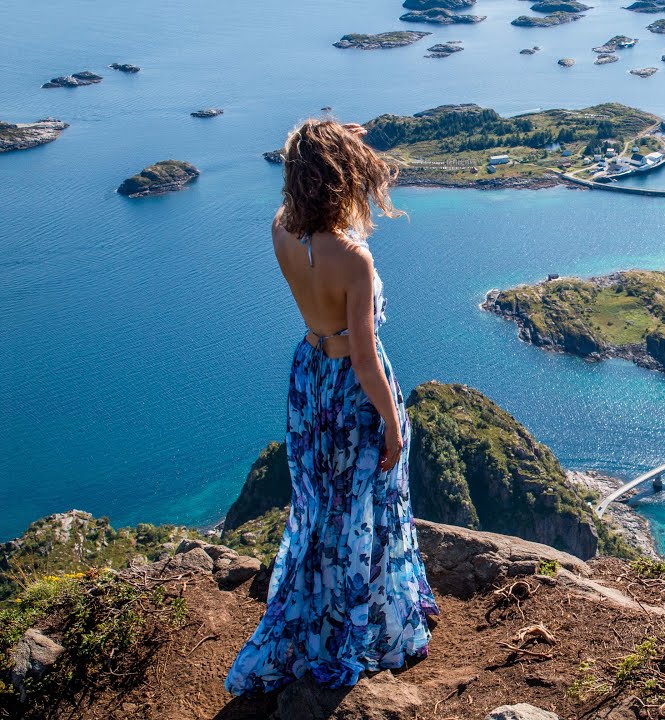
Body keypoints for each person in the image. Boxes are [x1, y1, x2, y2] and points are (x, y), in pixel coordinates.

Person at [225, 119, 439, 695]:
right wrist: (395, 425)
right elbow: (367, 361)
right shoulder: (353, 260)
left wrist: (310, 141)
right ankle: (366, 626)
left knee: (319, 502)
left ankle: (310, 613)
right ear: (345, 178)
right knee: (363, 504)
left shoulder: (280, 231)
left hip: (309, 378)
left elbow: (291, 200)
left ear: (298, 179)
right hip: (350, 390)